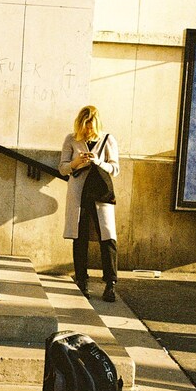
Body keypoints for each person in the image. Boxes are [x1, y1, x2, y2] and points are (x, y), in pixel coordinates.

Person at [59, 105, 119, 302]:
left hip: (100, 193)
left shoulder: (107, 139)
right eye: (84, 126)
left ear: (96, 124)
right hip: (79, 194)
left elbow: (115, 169)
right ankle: (82, 280)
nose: (87, 130)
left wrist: (98, 162)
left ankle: (110, 284)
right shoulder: (71, 139)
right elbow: (62, 168)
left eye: (90, 126)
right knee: (80, 236)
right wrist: (77, 163)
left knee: (107, 238)